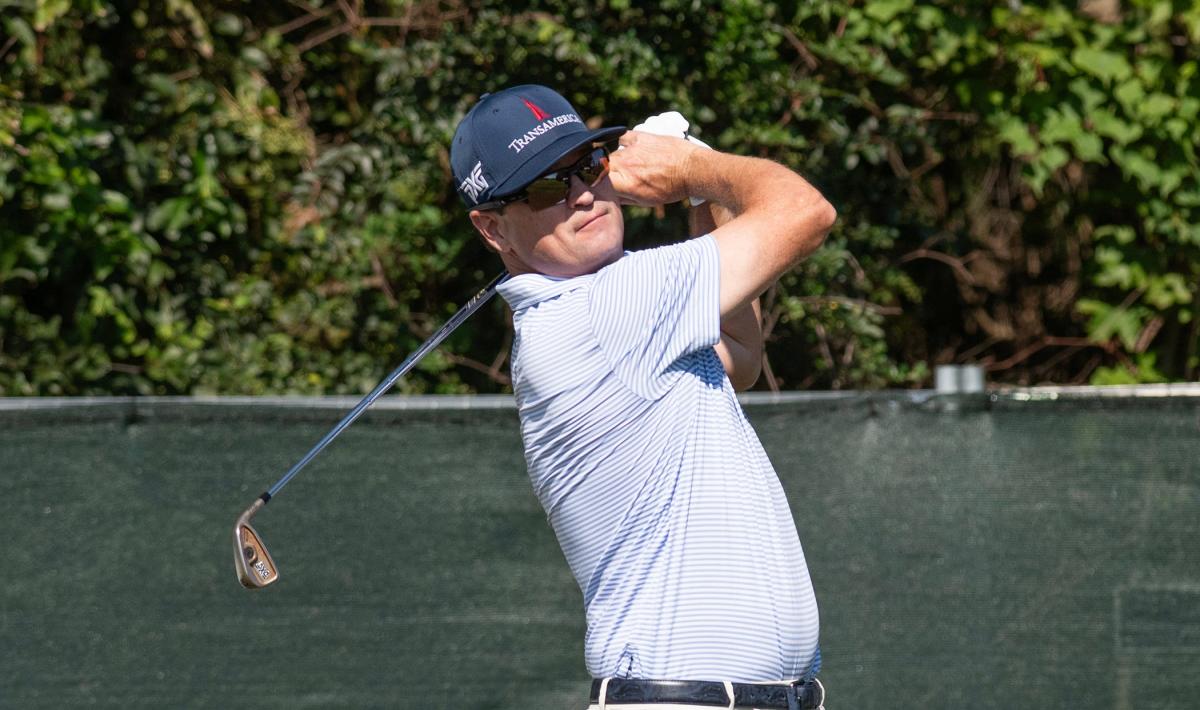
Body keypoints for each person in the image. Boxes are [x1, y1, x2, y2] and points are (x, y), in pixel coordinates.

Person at [450, 85, 836, 710]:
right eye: (546, 188)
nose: (581, 194)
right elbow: (805, 211)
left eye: (588, 165)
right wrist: (693, 167)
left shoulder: (621, 311)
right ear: (493, 228)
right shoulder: (607, 308)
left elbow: (739, 355)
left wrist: (702, 194)